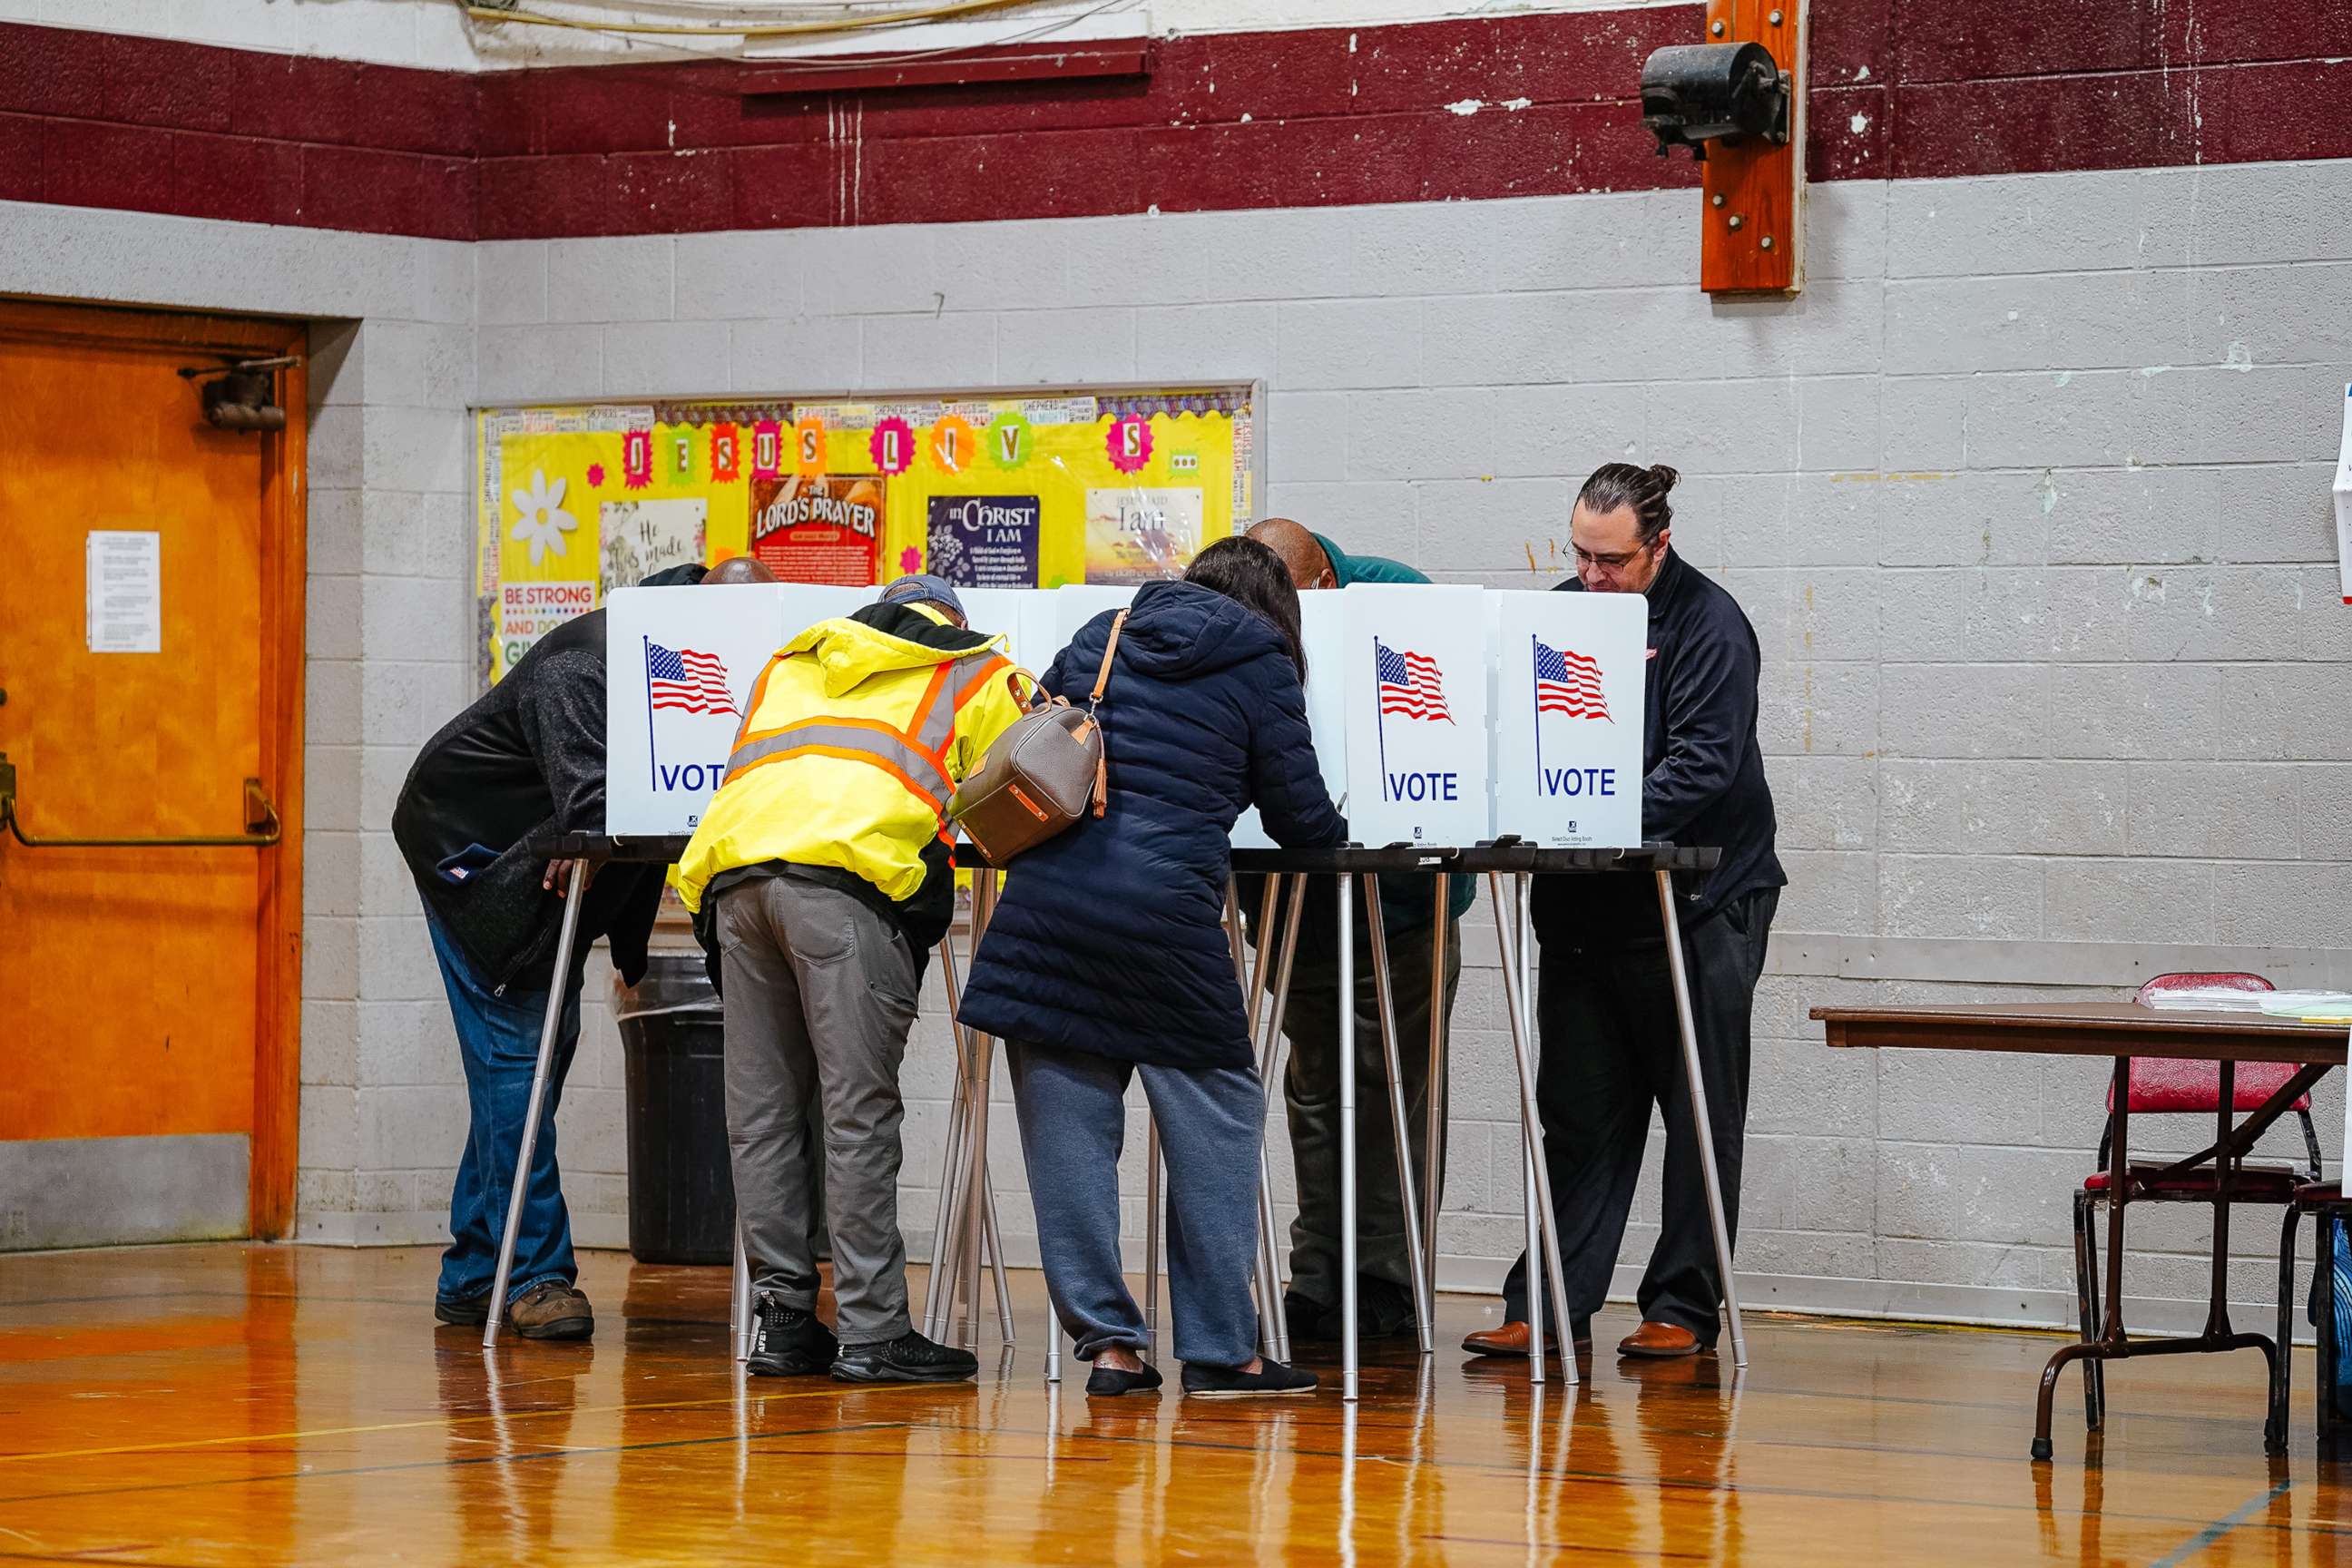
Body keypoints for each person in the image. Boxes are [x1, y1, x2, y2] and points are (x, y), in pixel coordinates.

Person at [956, 537, 1347, 1397]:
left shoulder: (1103, 632)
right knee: (1218, 1117)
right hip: (1164, 924)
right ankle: (1220, 1349)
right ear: (1277, 607)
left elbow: (1039, 748)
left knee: (1070, 1142)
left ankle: (1111, 1350)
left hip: (1046, 917)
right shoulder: (1262, 661)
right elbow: (1301, 816)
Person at [395, 554, 777, 1340]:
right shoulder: (586, 664)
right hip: (477, 861)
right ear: (699, 618)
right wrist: (594, 829)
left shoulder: (702, 661)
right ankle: (535, 1275)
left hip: (557, 885)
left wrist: (604, 838)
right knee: (518, 1062)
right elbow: (603, 809)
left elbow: (666, 818)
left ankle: (473, 1272)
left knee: (537, 1065)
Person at [671, 573, 1029, 1384]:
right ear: (952, 619)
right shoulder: (972, 669)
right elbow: (1044, 767)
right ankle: (873, 1332)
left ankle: (784, 1323)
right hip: (841, 893)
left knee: (762, 1118)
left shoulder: (792, 663)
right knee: (855, 1115)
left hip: (733, 888)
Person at [1465, 464, 1784, 1363]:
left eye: (1612, 561)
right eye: (1581, 556)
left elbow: (1706, 766)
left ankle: (1682, 1305)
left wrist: (1580, 813)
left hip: (1702, 901)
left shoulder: (1710, 625)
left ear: (1659, 545)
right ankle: (1548, 1302)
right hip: (1586, 908)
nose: (1593, 577)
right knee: (1576, 1114)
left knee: (1697, 1113)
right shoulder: (1561, 619)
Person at [1240, 517, 1475, 1343]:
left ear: (1323, 586)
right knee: (1314, 1086)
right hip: (1287, 899)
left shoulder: (1403, 601)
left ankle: (1387, 1276)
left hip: (1402, 905)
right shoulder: (1240, 597)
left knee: (1393, 1089)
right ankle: (1318, 1274)